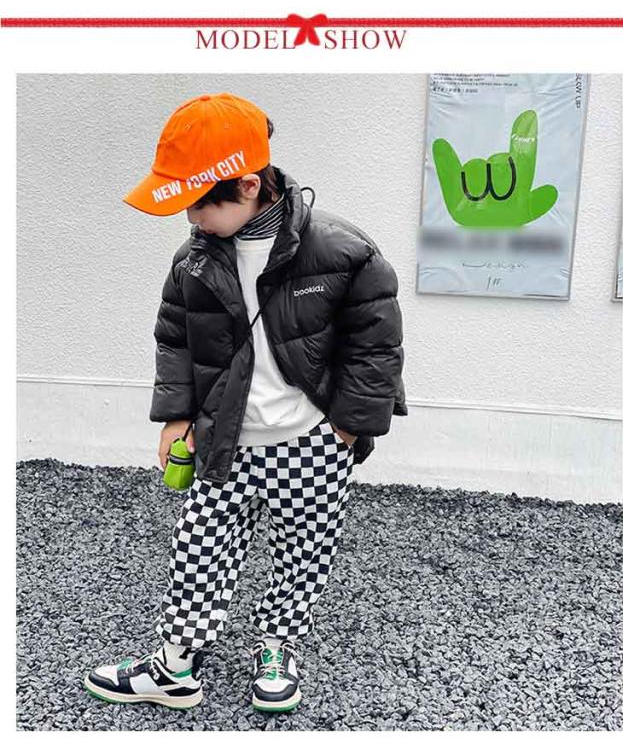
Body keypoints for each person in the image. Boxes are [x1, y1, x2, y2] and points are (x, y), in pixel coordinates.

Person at [83, 92, 407, 713]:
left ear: (249, 186)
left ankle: (278, 649)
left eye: (200, 204)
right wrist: (177, 416)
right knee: (198, 548)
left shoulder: (343, 251)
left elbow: (377, 346)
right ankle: (176, 665)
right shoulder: (194, 259)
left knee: (304, 552)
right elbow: (175, 338)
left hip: (312, 443)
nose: (191, 219)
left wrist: (346, 429)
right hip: (224, 440)